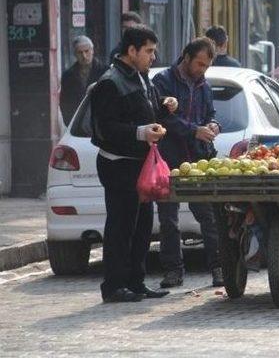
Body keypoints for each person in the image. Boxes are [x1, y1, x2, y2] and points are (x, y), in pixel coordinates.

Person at [91, 24, 178, 303]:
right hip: (119, 166)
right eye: (149, 51)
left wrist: (164, 105)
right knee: (121, 227)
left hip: (142, 165)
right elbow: (106, 128)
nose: (153, 57)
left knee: (142, 227)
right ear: (132, 51)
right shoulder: (110, 81)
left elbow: (146, 107)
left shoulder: (141, 77)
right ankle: (114, 286)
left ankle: (136, 282)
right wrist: (140, 132)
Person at [152, 37, 224, 288]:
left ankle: (218, 267)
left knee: (208, 215)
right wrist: (194, 130)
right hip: (169, 159)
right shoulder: (163, 81)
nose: (202, 70)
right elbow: (161, 119)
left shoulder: (203, 86)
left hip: (198, 160)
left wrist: (215, 125)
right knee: (169, 219)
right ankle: (173, 270)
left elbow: (211, 114)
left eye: (206, 66)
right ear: (186, 57)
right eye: (199, 64)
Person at [60, 35, 108, 125]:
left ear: (92, 51)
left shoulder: (105, 72)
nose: (84, 56)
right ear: (75, 54)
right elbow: (64, 102)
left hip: (101, 122)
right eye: (80, 52)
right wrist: (69, 122)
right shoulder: (68, 76)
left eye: (87, 51)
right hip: (77, 124)